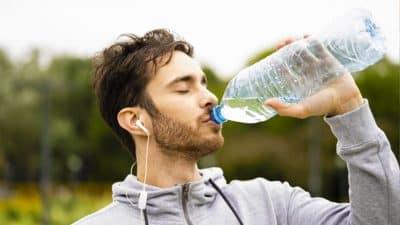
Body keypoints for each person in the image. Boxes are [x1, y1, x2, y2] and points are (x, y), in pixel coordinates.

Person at [72, 29, 399, 225]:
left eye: (203, 83)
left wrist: (349, 106)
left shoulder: (270, 205)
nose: (210, 97)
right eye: (184, 88)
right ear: (136, 120)